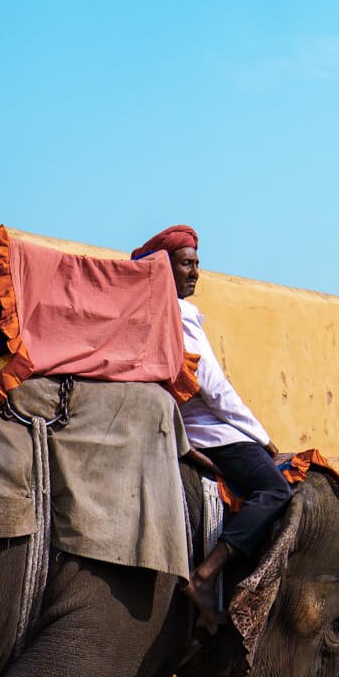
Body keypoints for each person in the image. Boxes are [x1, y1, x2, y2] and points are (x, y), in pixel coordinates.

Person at [131, 224, 291, 619]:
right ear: (164, 267)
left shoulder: (158, 313)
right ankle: (207, 574)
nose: (195, 272)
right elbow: (214, 389)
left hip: (195, 425)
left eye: (197, 264)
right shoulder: (179, 315)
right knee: (275, 489)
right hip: (210, 432)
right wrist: (262, 436)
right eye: (186, 263)